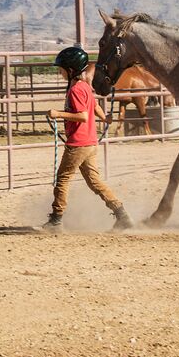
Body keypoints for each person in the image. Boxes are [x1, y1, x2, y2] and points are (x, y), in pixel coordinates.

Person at [42, 46, 133, 234]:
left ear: (71, 69)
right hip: (90, 142)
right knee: (95, 181)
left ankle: (56, 220)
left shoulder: (76, 89)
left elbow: (83, 115)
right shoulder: (85, 87)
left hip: (78, 143)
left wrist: (57, 113)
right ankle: (122, 215)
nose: (60, 73)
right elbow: (94, 106)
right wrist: (104, 117)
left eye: (61, 70)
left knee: (63, 179)